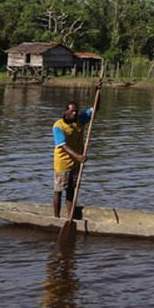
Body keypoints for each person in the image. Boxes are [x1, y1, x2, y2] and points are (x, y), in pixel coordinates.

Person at [52, 87, 100, 218]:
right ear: (66, 111)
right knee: (58, 191)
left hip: (75, 164)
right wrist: (78, 156)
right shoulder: (58, 126)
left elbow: (95, 108)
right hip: (62, 164)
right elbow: (62, 145)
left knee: (71, 191)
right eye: (72, 111)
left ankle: (70, 216)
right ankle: (56, 218)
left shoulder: (80, 119)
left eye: (76, 111)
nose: (74, 114)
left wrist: (97, 92)